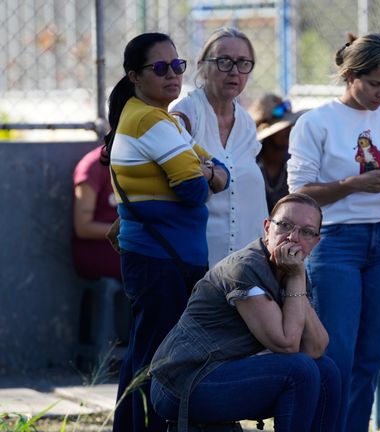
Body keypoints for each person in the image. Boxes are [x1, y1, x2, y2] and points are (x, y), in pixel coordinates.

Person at [104, 32, 229, 432]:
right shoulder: (148, 120)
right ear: (134, 76)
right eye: (160, 68)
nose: (173, 75)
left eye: (177, 65)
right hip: (161, 262)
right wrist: (207, 173)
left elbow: (219, 171)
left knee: (152, 355)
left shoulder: (165, 121)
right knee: (155, 360)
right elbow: (195, 190)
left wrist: (208, 171)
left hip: (167, 260)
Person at [287, 32, 380, 431]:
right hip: (336, 241)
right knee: (335, 353)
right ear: (350, 74)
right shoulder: (315, 122)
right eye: (375, 83)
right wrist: (350, 186)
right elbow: (298, 196)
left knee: (372, 356)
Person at [150, 193, 341, 431]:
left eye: (306, 232)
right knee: (299, 370)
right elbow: (287, 345)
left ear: (316, 242)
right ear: (267, 228)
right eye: (285, 226)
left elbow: (316, 347)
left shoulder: (291, 270)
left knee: (326, 372)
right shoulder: (245, 269)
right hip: (182, 382)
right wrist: (296, 276)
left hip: (219, 373)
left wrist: (297, 277)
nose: (293, 237)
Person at [170, 27, 269, 266]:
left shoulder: (246, 123)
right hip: (198, 260)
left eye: (243, 63)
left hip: (248, 260)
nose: (234, 72)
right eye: (224, 61)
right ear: (202, 65)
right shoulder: (184, 117)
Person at [71, 145, 121, 281]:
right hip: (100, 254)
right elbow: (82, 228)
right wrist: (133, 230)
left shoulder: (140, 161)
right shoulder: (93, 166)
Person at [252, 93, 305, 213]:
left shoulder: (295, 162)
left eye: (290, 126)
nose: (289, 130)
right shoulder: (250, 164)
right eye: (283, 127)